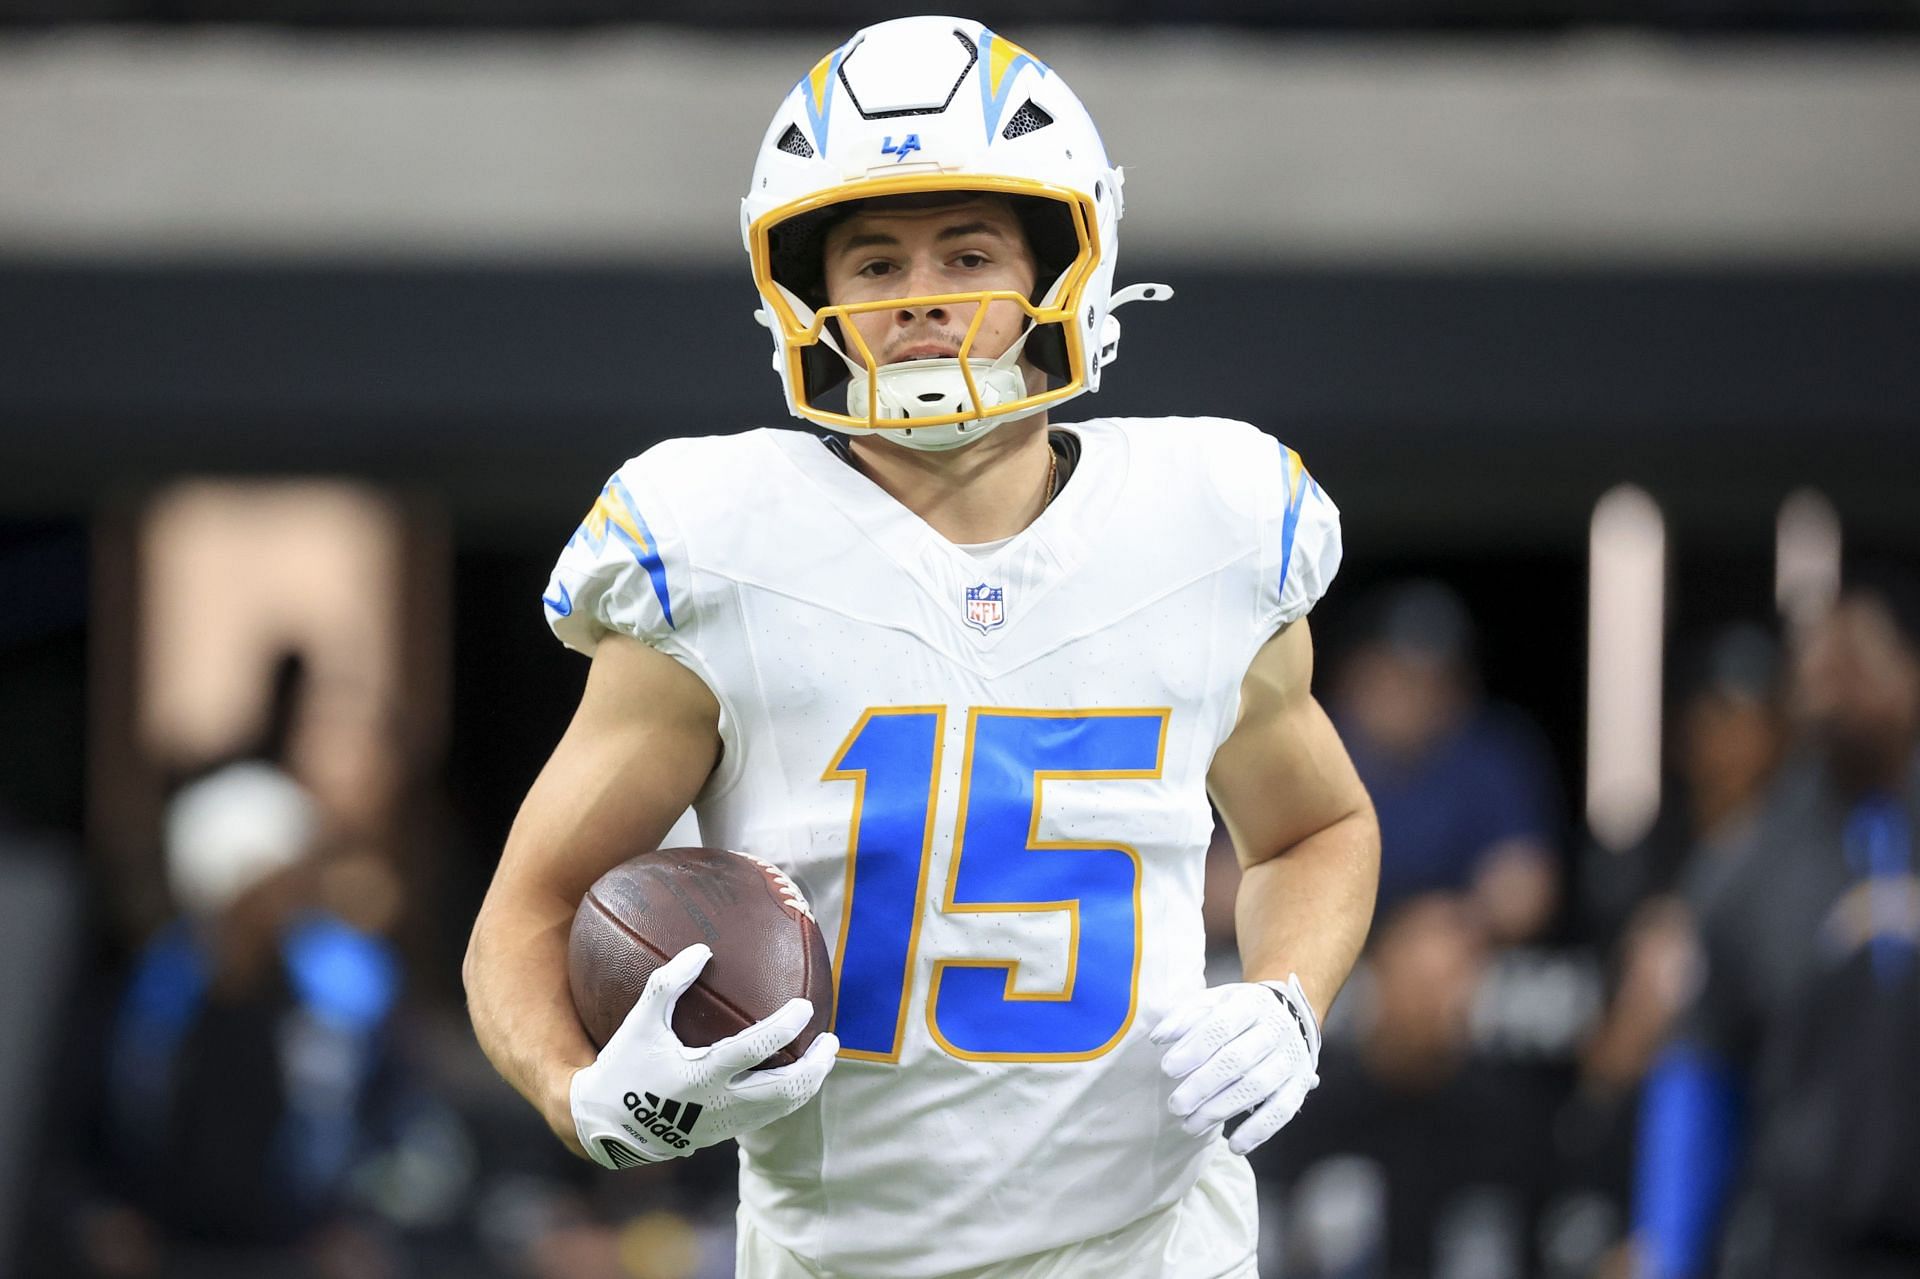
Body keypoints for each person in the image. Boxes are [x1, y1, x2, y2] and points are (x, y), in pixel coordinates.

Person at [465, 17, 1380, 1278]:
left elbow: (1312, 829)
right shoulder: (719, 543)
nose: (923, 297)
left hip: (1157, 1244)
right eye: (876, 260)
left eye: (967, 250)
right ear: (810, 292)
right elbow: (527, 909)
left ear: (1069, 261)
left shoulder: (1211, 522)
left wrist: (1288, 996)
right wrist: (588, 1097)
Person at [1634, 571, 1920, 1279]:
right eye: (1815, 666)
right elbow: (1699, 1072)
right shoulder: (1747, 863)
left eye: (1852, 662)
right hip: (1806, 1240)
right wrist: (1666, 1250)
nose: (1828, 688)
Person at [1332, 581, 1562, 944]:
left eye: (1430, 681)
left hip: (1450, 957)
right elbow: (1225, 884)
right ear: (1356, 674)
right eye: (1394, 676)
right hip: (1322, 948)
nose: (1409, 697)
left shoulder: (1488, 754)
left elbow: (1525, 893)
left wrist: (1451, 921)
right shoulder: (1309, 748)